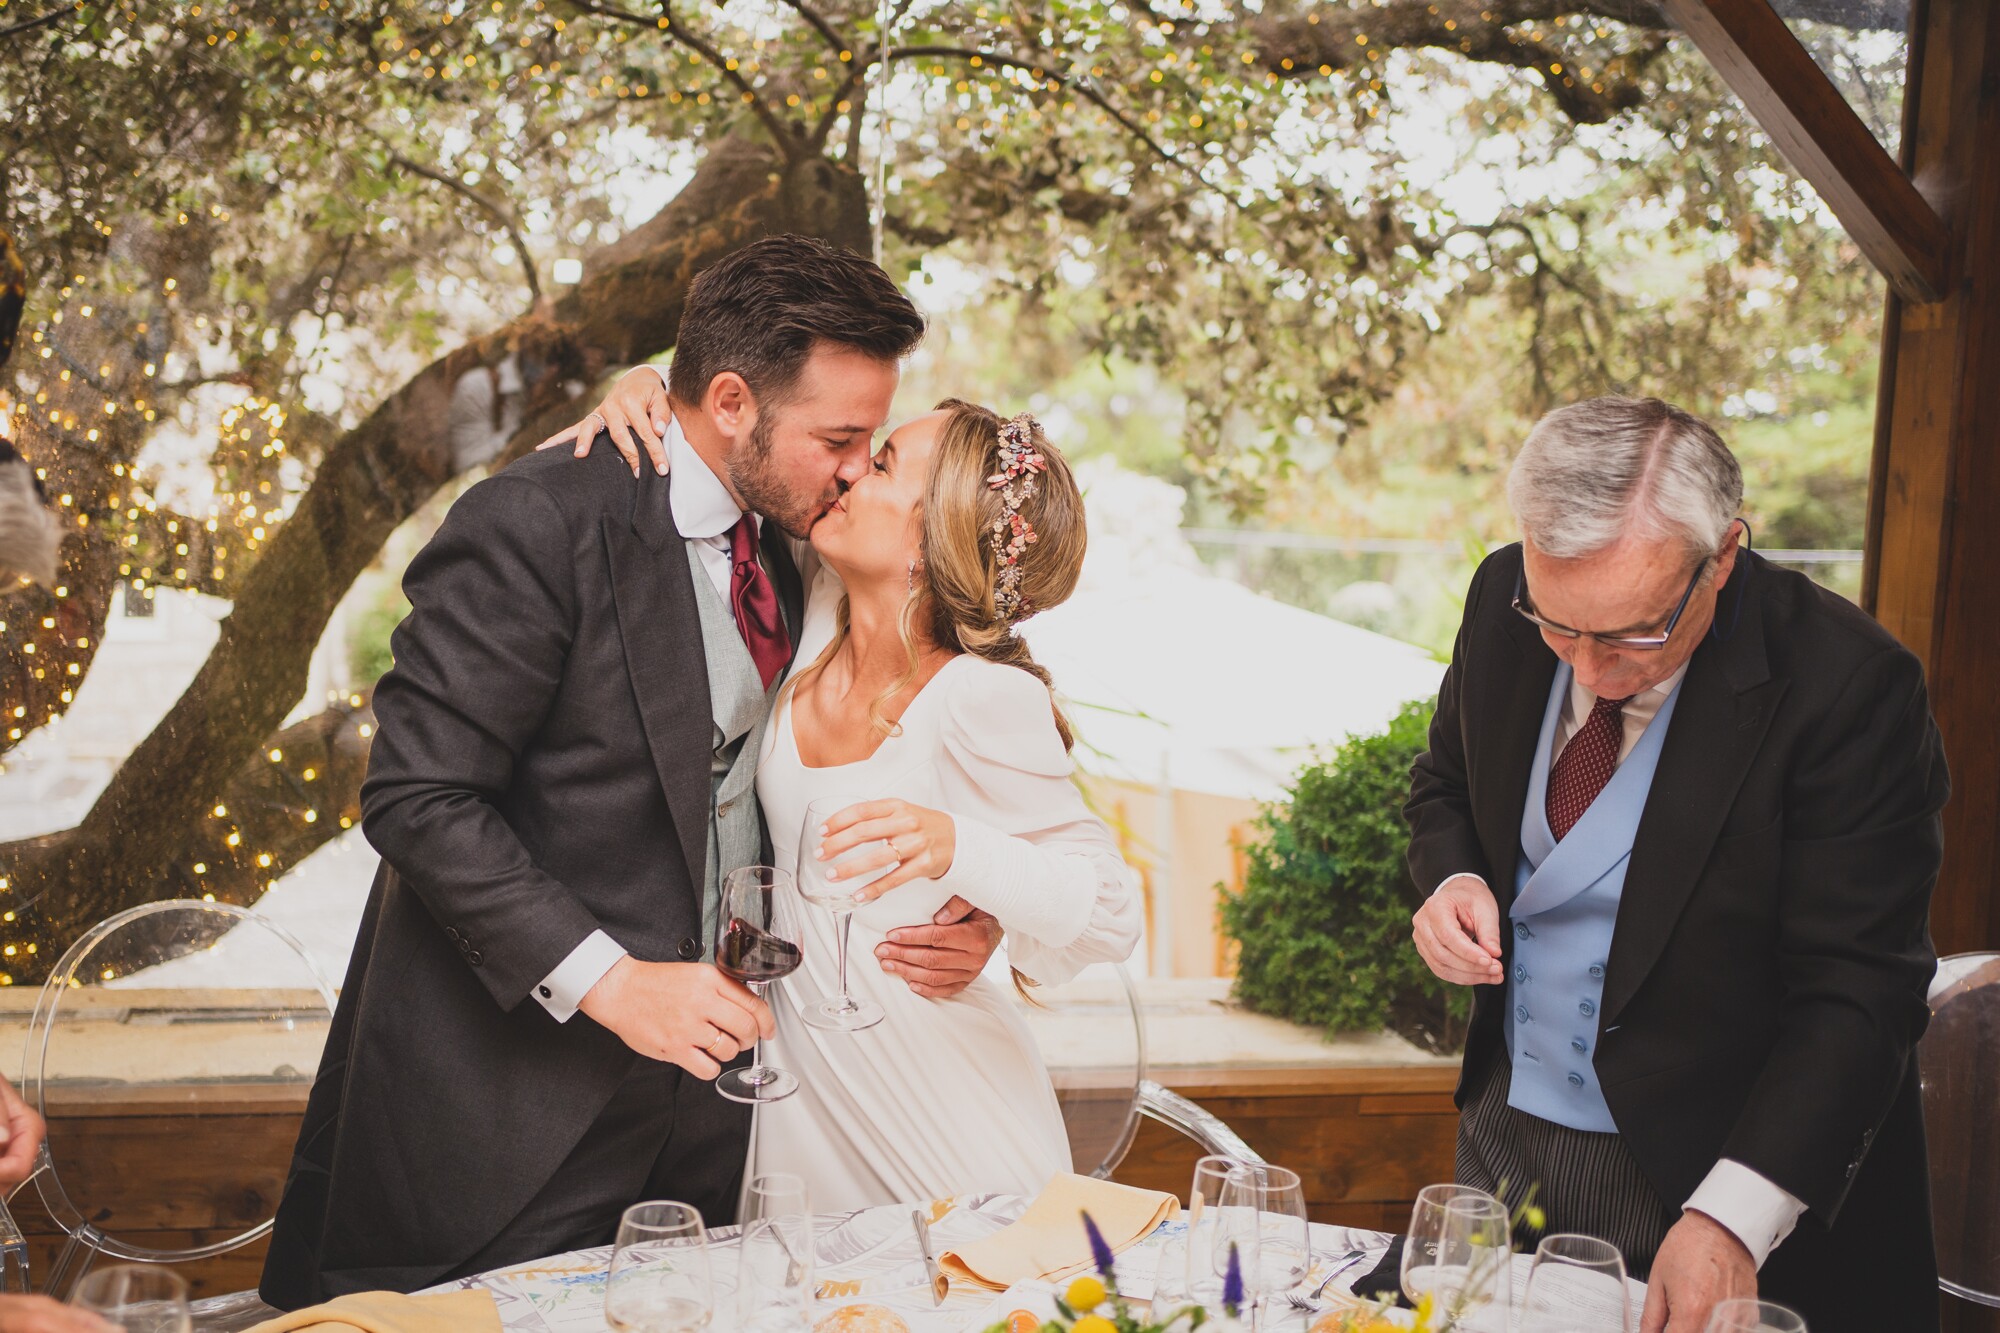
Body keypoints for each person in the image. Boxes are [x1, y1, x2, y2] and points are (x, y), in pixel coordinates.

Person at [260, 235, 1009, 1307]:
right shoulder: (533, 523)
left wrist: (979, 903)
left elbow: (921, 717)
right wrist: (609, 982)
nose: (855, 469)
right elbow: (416, 796)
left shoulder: (808, 545)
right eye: (838, 438)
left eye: (870, 441)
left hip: (717, 1122)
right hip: (506, 1114)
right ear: (735, 402)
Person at [1406, 396, 1946, 1332]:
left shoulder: (1851, 686)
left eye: (1631, 632)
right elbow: (1444, 782)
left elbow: (1861, 989)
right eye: (1559, 625)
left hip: (1719, 1165)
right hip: (1504, 1132)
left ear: (1723, 555)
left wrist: (1734, 1215)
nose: (1588, 668)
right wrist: (1454, 879)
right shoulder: (1504, 596)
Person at [559, 386, 1142, 1205]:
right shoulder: (814, 603)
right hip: (802, 1109)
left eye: (884, 465)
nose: (849, 473)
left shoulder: (979, 697)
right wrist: (647, 387)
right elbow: (736, 425)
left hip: (943, 1117)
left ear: (926, 543)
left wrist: (961, 850)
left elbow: (1115, 910)